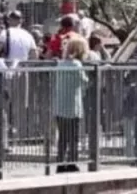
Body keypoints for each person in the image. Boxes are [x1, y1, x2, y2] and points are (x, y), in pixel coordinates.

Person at [52, 37, 89, 173]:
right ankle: (73, 162)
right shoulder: (77, 65)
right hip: (73, 105)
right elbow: (84, 81)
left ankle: (60, 163)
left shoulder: (60, 64)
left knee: (62, 137)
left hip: (60, 105)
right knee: (73, 137)